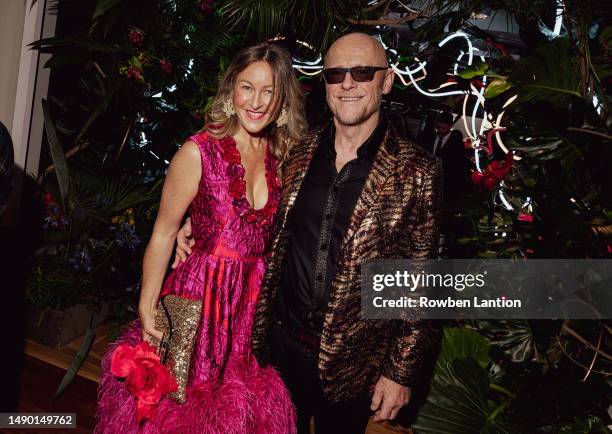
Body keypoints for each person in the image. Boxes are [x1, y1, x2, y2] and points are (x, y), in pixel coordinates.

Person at [177, 33, 443, 434]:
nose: (348, 83)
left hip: (353, 363)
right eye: (336, 74)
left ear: (386, 81)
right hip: (276, 350)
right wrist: (195, 218)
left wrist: (400, 373)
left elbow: (421, 283)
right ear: (325, 83)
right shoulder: (294, 152)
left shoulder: (418, 171)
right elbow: (247, 201)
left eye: (362, 72)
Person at [96, 42, 307, 434]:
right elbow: (163, 232)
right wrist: (146, 307)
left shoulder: (286, 155)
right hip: (198, 299)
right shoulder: (199, 153)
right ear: (230, 91)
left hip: (249, 306)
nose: (256, 102)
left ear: (282, 100)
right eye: (247, 87)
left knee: (235, 412)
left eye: (269, 91)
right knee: (179, 410)